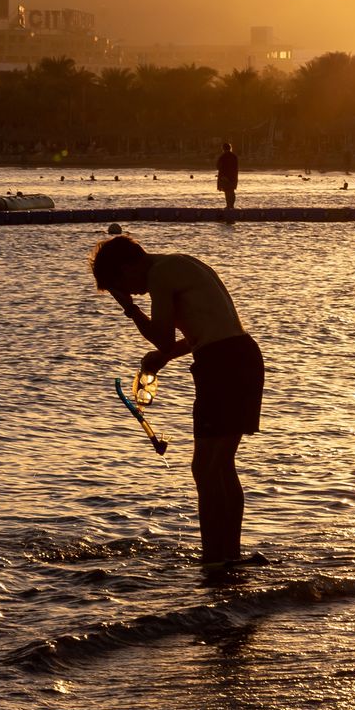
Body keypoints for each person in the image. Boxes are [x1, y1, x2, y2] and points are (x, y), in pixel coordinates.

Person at [91, 234, 263, 571]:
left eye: (123, 284)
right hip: (237, 355)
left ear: (128, 266)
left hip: (223, 362)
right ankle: (228, 556)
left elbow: (162, 336)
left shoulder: (160, 273)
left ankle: (215, 558)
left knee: (207, 467)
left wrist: (128, 308)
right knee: (220, 465)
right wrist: (163, 358)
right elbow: (201, 332)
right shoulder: (180, 263)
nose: (135, 292)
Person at [215, 142, 239, 212]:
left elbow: (218, 166)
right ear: (230, 148)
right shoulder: (234, 156)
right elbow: (236, 167)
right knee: (232, 191)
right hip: (233, 177)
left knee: (227, 192)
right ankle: (232, 206)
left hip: (224, 177)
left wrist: (222, 176)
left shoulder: (223, 156)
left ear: (223, 148)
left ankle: (228, 206)